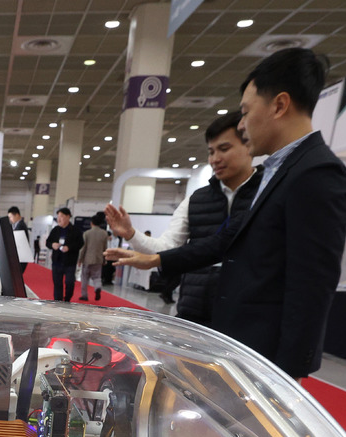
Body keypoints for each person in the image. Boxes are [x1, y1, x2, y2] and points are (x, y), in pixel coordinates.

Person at [105, 48, 346, 379]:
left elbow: (312, 284)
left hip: (266, 353)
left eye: (246, 112)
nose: (242, 124)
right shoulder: (275, 173)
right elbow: (224, 241)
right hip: (238, 340)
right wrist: (154, 260)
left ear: (279, 105)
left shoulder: (317, 173)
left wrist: (290, 373)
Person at [105, 111, 262, 325]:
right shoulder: (196, 200)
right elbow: (166, 247)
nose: (215, 159)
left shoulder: (267, 194)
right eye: (211, 151)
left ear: (249, 145)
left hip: (248, 313)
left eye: (224, 149)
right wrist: (131, 234)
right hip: (196, 309)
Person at [45, 208, 83, 301]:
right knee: (57, 283)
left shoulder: (75, 230)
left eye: (61, 216)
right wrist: (52, 245)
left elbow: (80, 243)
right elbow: (48, 242)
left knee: (69, 282)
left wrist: (69, 247)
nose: (59, 219)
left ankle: (67, 299)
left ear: (68, 216)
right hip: (57, 261)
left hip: (70, 262)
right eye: (58, 216)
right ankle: (58, 302)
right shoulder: (55, 230)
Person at [78, 212, 109, 301]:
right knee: (97, 277)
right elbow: (105, 248)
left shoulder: (87, 233)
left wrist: (80, 259)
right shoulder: (104, 234)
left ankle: (84, 295)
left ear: (91, 223)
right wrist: (104, 259)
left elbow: (83, 248)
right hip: (98, 259)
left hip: (87, 259)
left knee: (85, 277)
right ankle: (97, 287)